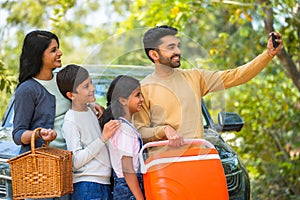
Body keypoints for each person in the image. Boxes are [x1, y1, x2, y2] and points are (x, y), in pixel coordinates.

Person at [133, 25, 283, 147]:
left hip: (198, 162)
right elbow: (140, 132)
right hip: (163, 168)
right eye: (171, 47)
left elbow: (236, 76)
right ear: (154, 54)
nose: (178, 51)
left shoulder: (194, 77)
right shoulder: (143, 89)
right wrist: (164, 130)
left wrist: (268, 54)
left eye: (178, 46)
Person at [56, 64, 121, 200]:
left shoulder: (90, 110)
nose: (92, 88)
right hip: (87, 186)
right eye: (86, 86)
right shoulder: (70, 120)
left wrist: (91, 105)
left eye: (90, 82)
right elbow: (76, 161)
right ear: (71, 95)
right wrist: (103, 138)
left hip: (103, 183)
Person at [100, 75, 145, 200]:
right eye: (137, 95)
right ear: (123, 100)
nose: (142, 99)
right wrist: (140, 198)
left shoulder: (125, 127)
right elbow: (127, 168)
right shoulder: (124, 130)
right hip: (128, 190)